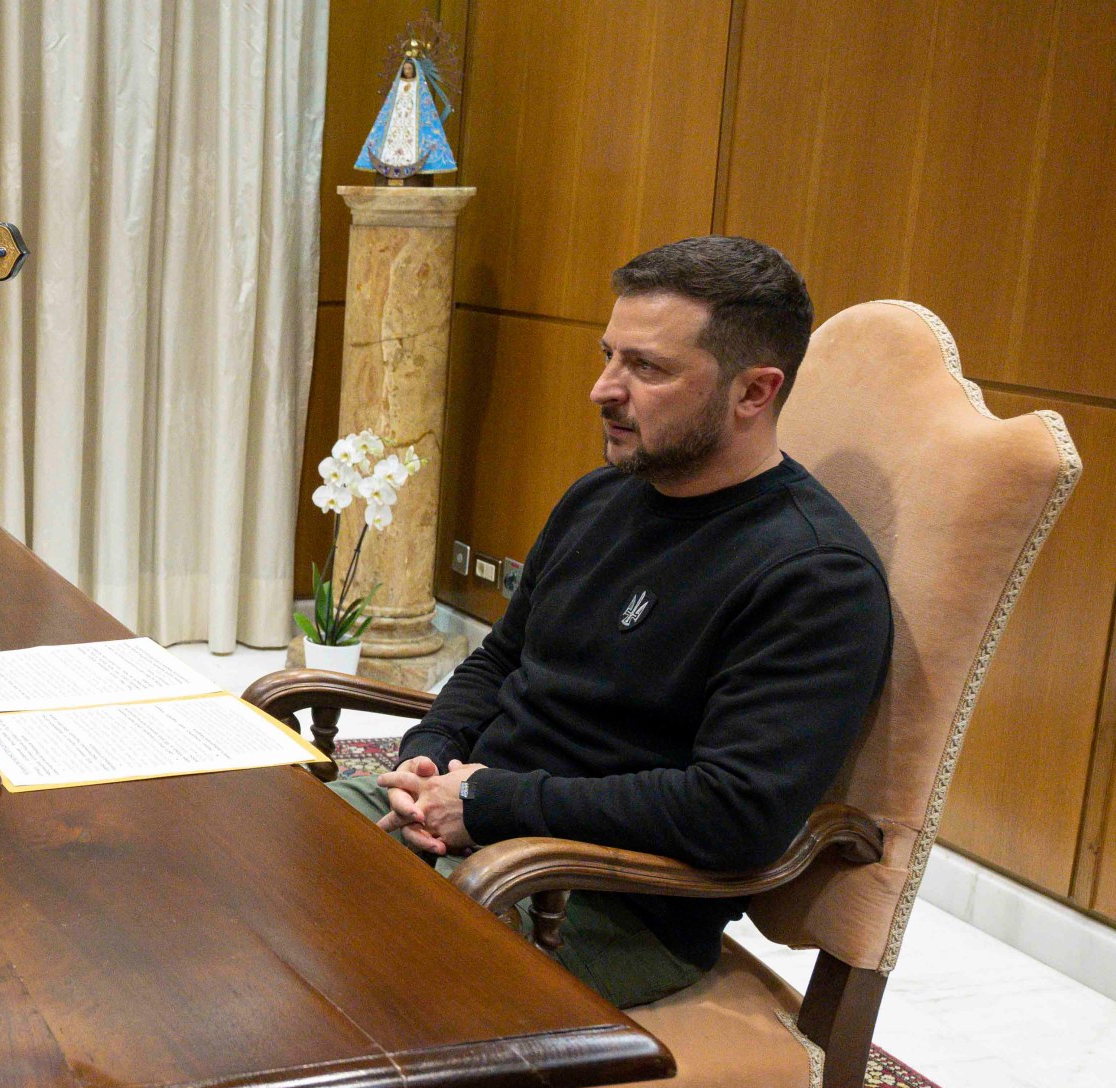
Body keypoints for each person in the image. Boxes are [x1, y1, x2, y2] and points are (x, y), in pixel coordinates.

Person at [341, 235, 892, 1009]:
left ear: (754, 392)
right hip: (479, 832)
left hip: (603, 901)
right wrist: (430, 759)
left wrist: (492, 801)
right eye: (609, 355)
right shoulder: (601, 498)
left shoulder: (815, 577)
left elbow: (734, 813)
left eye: (648, 368)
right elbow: (501, 661)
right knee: (242, 861)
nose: (605, 388)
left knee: (319, 969)